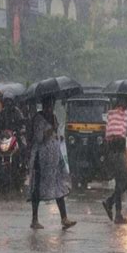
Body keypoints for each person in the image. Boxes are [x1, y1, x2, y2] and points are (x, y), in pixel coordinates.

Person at [29, 95, 76, 230]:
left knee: (58, 186)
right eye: (48, 105)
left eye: (52, 105)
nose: (50, 108)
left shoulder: (54, 117)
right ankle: (34, 219)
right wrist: (50, 130)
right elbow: (39, 138)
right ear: (44, 105)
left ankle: (64, 218)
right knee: (37, 188)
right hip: (40, 160)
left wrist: (57, 134)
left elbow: (56, 134)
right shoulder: (38, 119)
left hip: (54, 160)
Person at [102, 96, 127, 224]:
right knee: (123, 182)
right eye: (124, 101)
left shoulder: (115, 115)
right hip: (117, 153)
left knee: (121, 182)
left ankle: (115, 209)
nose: (125, 104)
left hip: (117, 153)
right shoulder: (116, 115)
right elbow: (115, 135)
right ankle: (112, 205)